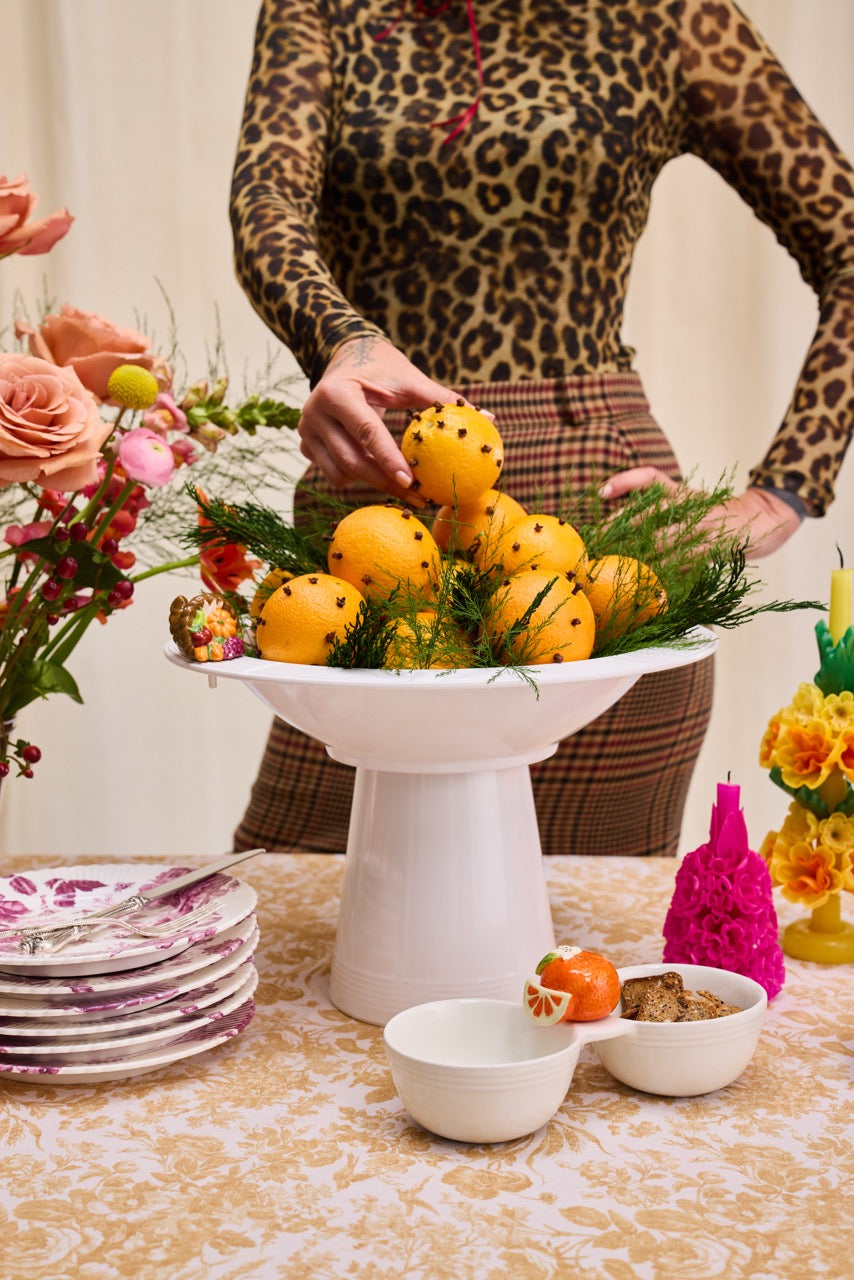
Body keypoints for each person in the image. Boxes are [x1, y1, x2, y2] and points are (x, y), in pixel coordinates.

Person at [228, 0, 854, 857]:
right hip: (376, 525)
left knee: (581, 919)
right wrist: (342, 341)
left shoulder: (668, 16)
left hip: (599, 549)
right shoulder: (327, 8)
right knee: (302, 902)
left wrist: (781, 495)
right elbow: (267, 202)